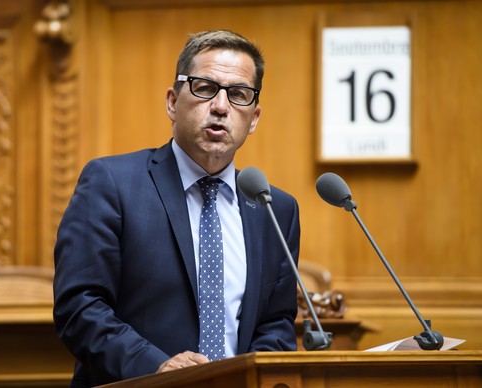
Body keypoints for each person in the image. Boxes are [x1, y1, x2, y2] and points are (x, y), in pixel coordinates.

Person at [53, 30, 300, 387]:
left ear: (255, 117)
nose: (220, 106)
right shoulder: (111, 183)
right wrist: (156, 368)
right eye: (204, 87)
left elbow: (275, 324)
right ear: (172, 101)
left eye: (238, 95)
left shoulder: (275, 209)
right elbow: (79, 307)